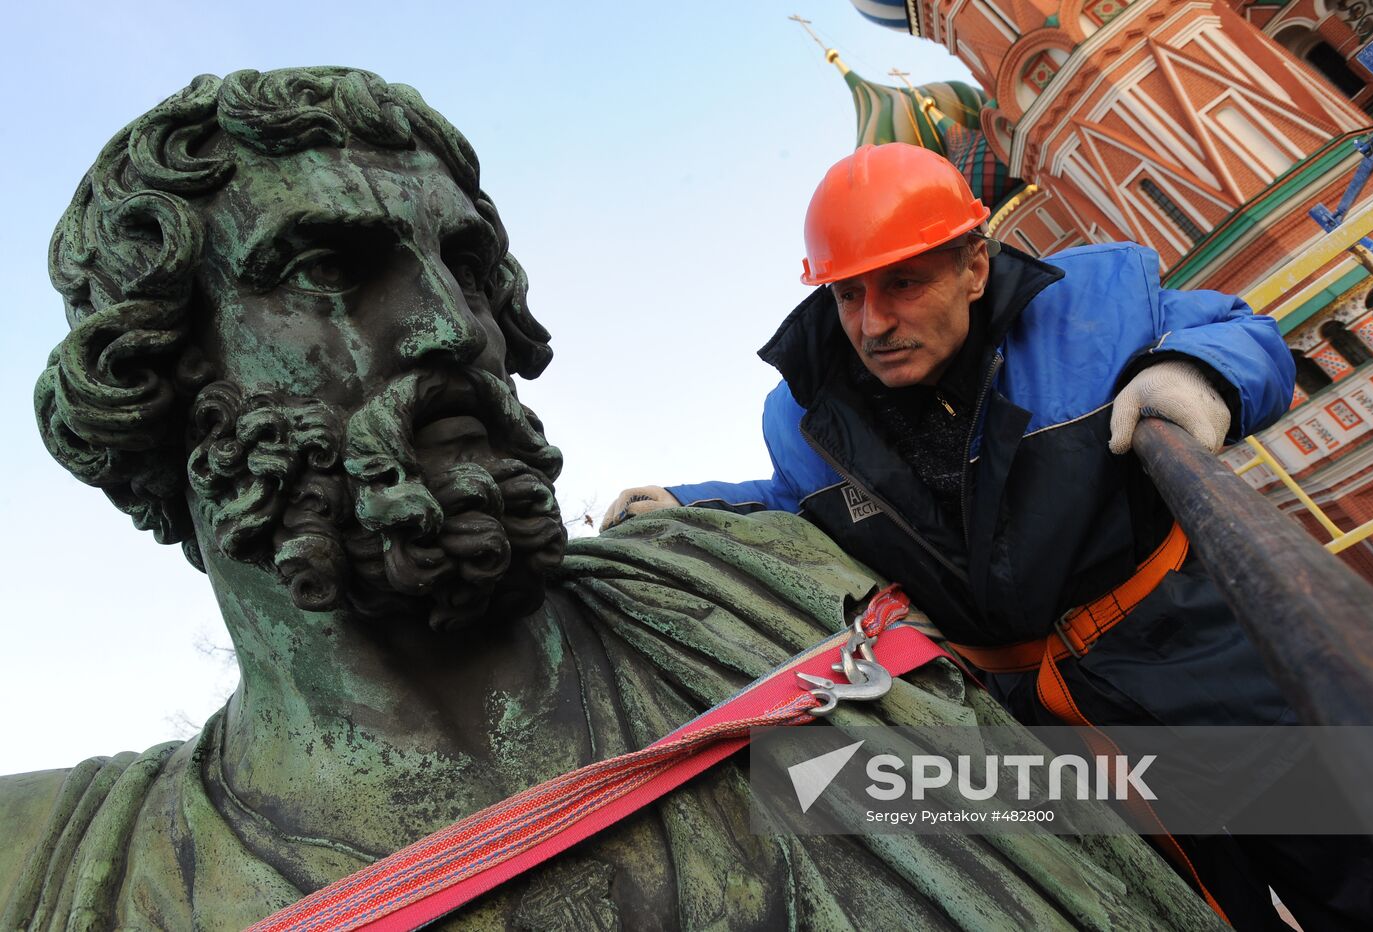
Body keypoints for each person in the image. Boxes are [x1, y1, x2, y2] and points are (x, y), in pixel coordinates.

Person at [0, 70, 1226, 931]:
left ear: (975, 263)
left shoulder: (763, 610)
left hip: (1183, 696)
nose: (446, 325)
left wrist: (1264, 785)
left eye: (469, 269)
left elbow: (1026, 821)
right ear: (158, 379)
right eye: (325, 270)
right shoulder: (72, 873)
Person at [604, 142, 1373, 929]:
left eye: (904, 284)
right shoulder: (805, 418)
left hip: (1202, 668)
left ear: (974, 267)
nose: (873, 323)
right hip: (1047, 741)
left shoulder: (1090, 307)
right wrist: (684, 499)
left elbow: (1238, 330)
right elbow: (788, 501)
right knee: (1194, 914)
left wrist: (1196, 374)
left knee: (1362, 877)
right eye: (848, 296)